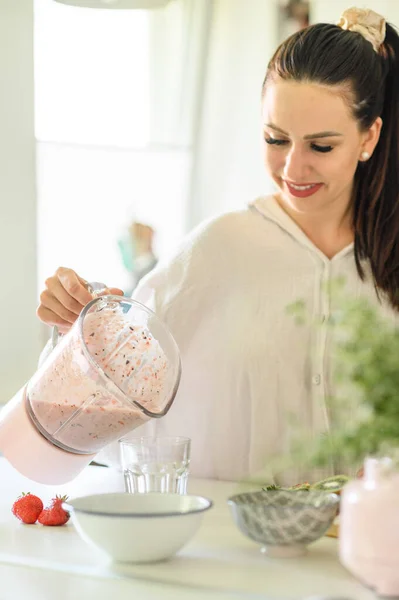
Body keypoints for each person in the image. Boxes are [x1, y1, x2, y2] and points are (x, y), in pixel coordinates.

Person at [37, 7, 399, 486]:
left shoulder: (387, 257)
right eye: (276, 139)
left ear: (368, 136)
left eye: (321, 147)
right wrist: (77, 329)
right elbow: (102, 395)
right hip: (241, 548)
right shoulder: (218, 250)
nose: (293, 168)